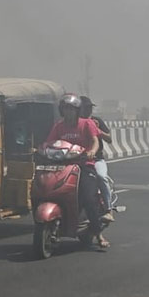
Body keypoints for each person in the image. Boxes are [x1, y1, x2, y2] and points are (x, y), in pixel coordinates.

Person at [45, 93, 107, 249]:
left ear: (77, 111)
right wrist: (42, 149)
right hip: (62, 165)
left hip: (84, 165)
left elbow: (95, 142)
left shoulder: (87, 124)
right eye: (65, 109)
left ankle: (98, 234)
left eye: (71, 109)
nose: (68, 112)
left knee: (88, 197)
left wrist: (92, 151)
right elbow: (49, 142)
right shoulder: (58, 126)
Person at [79, 96, 115, 222]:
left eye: (90, 108)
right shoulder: (73, 123)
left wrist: (97, 130)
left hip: (96, 159)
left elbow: (109, 139)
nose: (89, 110)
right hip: (77, 160)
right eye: (86, 108)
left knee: (101, 177)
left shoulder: (96, 121)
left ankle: (108, 210)